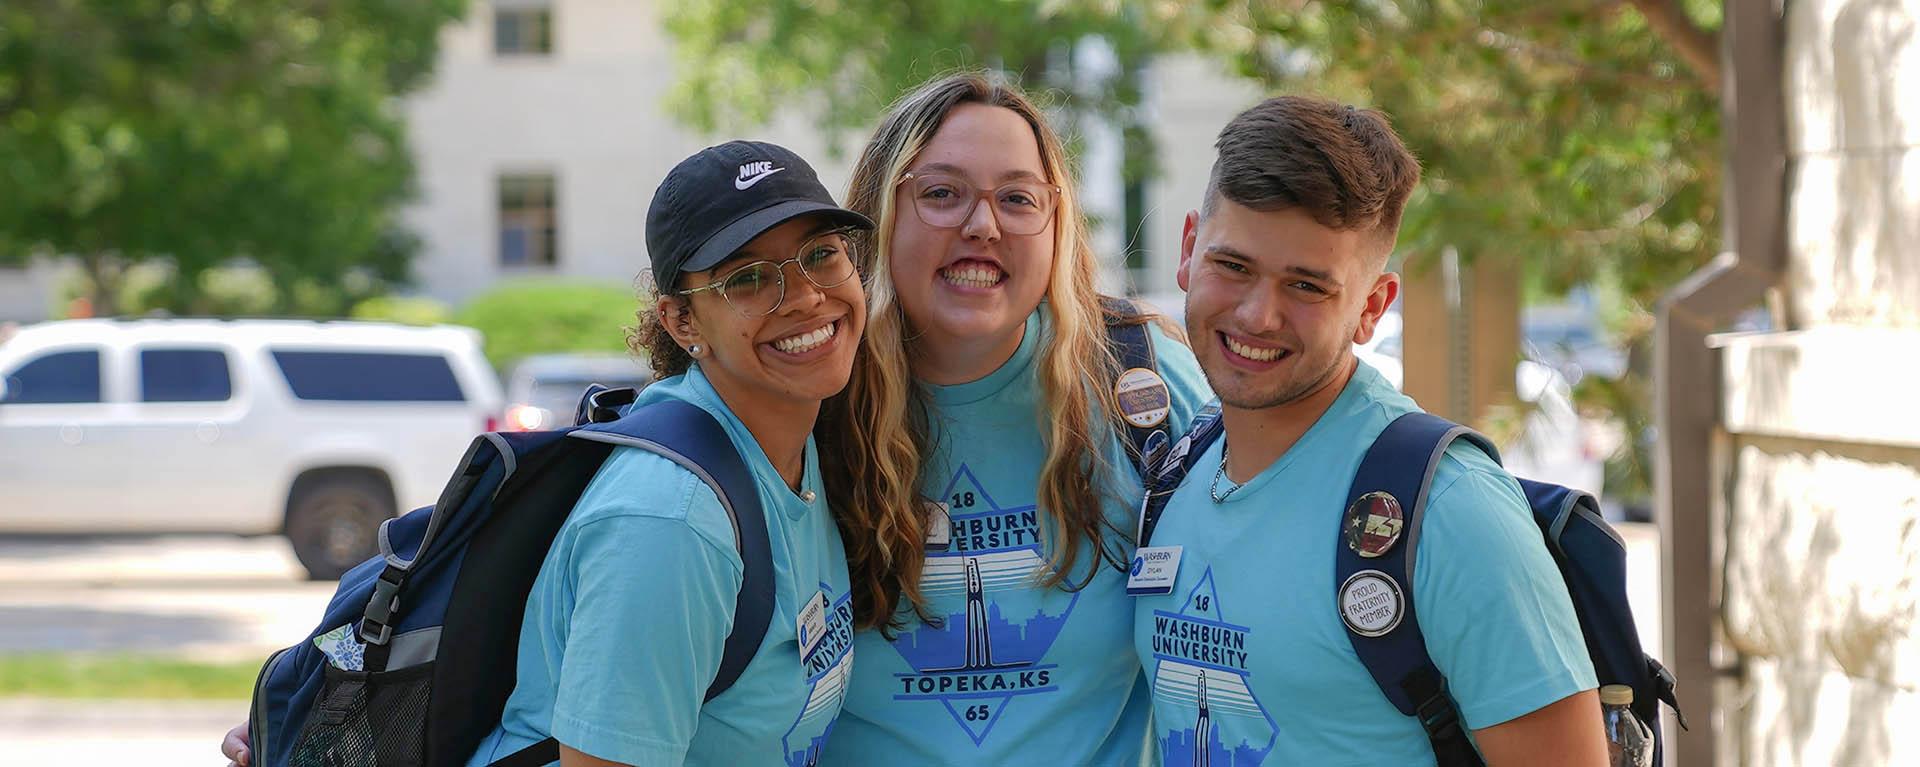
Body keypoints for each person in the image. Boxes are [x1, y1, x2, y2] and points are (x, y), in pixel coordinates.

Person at [224, 140, 872, 767]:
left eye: (821, 254)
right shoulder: (672, 523)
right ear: (682, 321)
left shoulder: (786, 446)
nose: (807, 295)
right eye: (749, 278)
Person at [1129, 95, 1606, 765]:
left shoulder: (1450, 510)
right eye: (1232, 266)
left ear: (1372, 307)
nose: (1259, 314)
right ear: (1188, 250)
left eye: (1307, 286)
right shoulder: (1178, 475)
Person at [815, 73, 1212, 764]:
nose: (982, 225)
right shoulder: (815, 399)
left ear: (1056, 223)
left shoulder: (1139, 381)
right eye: (941, 193)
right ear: (880, 213)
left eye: (1018, 198)